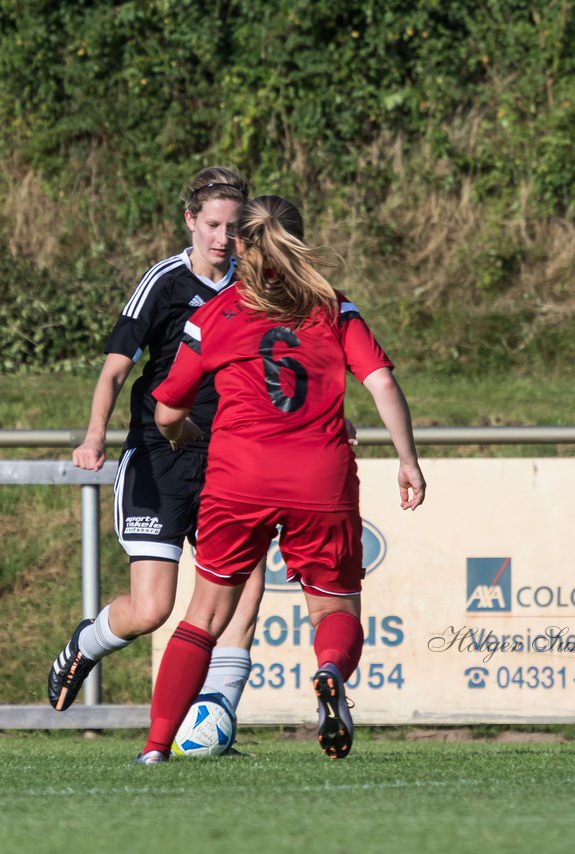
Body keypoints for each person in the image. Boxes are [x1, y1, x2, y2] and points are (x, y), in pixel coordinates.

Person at [136, 195, 426, 763]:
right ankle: (327, 672)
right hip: (321, 475)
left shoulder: (214, 315)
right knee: (334, 610)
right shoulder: (333, 308)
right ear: (296, 239)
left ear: (241, 244)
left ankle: (154, 747)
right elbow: (383, 384)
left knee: (205, 616)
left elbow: (166, 410)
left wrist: (184, 435)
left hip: (237, 476)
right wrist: (408, 460)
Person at [47, 166, 266, 724]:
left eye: (234, 228)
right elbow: (116, 369)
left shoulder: (257, 282)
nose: (223, 238)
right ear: (191, 220)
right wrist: (95, 435)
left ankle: (215, 721)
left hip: (228, 458)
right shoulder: (163, 281)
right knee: (151, 609)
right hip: (159, 454)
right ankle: (85, 645)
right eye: (213, 225)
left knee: (242, 594)